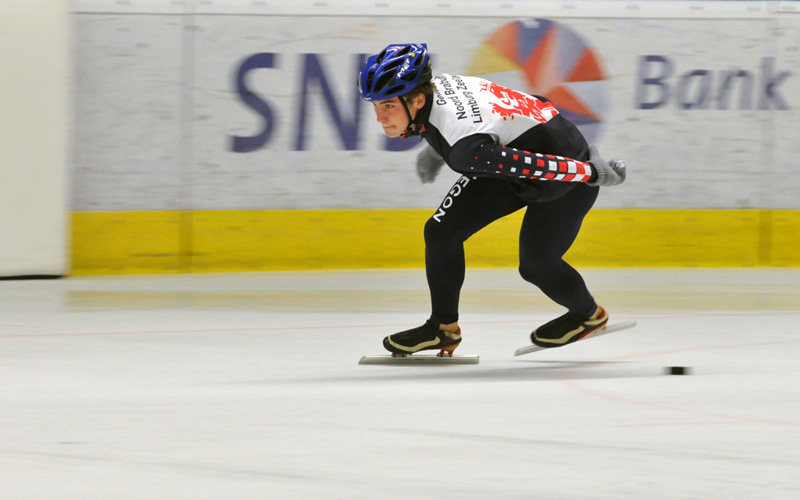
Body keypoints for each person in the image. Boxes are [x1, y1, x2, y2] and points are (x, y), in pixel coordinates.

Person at [357, 43, 627, 355]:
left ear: (418, 99)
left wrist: (589, 171)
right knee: (441, 232)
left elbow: (532, 165)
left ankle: (588, 315)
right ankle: (443, 329)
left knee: (537, 265)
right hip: (527, 145)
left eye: (388, 106)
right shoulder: (439, 85)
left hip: (564, 175)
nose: (379, 117)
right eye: (375, 106)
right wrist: (436, 150)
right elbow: (495, 114)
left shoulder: (465, 150)